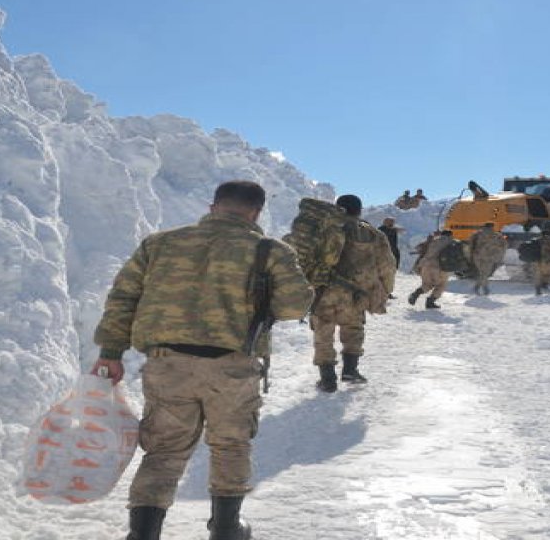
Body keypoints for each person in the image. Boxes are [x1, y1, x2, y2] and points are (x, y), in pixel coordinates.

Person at [90, 180, 313, 540]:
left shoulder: (159, 243)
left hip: (167, 363)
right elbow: (294, 306)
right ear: (256, 213)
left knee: (164, 450)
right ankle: (226, 528)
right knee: (231, 445)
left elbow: (123, 298)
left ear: (213, 207)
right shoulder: (270, 250)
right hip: (232, 367)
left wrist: (110, 353)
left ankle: (143, 533)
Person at [308, 194, 396, 393]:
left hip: (323, 292)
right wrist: (385, 290)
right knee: (353, 329)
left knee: (323, 332)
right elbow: (387, 265)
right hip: (356, 294)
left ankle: (327, 378)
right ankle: (350, 370)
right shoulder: (372, 234)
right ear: (359, 211)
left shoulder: (322, 229)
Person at [408, 229, 454, 309]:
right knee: (441, 285)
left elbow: (421, 248)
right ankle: (430, 301)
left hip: (425, 265)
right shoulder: (451, 242)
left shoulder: (433, 240)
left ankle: (415, 294)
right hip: (440, 267)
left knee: (427, 284)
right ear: (450, 235)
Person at [469, 222, 507, 296]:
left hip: (478, 256)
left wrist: (471, 256)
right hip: (490, 258)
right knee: (485, 273)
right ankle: (484, 288)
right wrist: (499, 256)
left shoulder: (476, 234)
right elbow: (504, 246)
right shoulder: (497, 235)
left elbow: (471, 246)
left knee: (482, 272)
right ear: (492, 227)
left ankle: (478, 286)